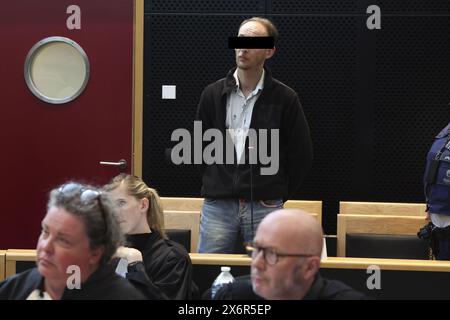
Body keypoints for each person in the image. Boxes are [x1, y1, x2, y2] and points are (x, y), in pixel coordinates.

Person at [196, 17, 313, 253]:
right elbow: (198, 147)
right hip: (219, 205)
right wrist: (216, 182)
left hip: (265, 204)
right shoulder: (212, 94)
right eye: (240, 40)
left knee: (268, 275)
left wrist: (274, 191)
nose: (243, 47)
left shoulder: (285, 98)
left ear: (269, 51)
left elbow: (301, 155)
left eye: (252, 41)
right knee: (209, 273)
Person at [0, 182, 145, 300]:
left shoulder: (123, 296)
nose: (46, 247)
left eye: (63, 240)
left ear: (95, 253)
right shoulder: (15, 288)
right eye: (45, 232)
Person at [214, 209, 368, 300]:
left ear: (309, 267)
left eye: (272, 254)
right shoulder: (232, 296)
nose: (256, 263)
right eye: (256, 249)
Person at [104, 174, 197, 299]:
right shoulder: (106, 251)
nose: (114, 211)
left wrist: (135, 264)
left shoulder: (173, 258)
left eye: (121, 203)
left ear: (143, 205)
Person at [421, 122, 450, 260]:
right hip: (440, 226)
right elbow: (431, 174)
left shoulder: (443, 136)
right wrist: (430, 205)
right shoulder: (443, 137)